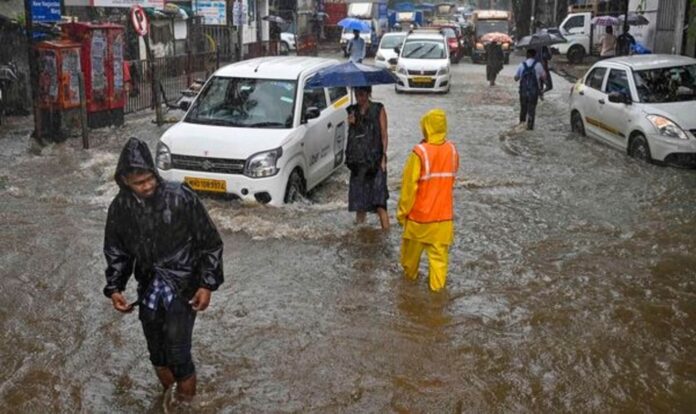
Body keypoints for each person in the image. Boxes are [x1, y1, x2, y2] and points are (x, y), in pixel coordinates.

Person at [103, 137, 224, 403]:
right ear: (125, 181)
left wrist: (206, 284)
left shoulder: (180, 196)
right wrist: (115, 287)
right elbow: (117, 250)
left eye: (149, 179)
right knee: (157, 354)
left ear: (155, 173)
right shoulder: (121, 207)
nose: (146, 186)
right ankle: (170, 401)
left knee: (179, 356)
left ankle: (186, 406)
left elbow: (210, 243)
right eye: (139, 182)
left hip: (183, 286)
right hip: (149, 287)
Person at [397, 109, 459, 292]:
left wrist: (402, 214)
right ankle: (437, 306)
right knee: (439, 269)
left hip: (419, 221)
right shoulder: (453, 151)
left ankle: (409, 300)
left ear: (426, 126)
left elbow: (409, 188)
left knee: (409, 267)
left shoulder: (419, 152)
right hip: (443, 221)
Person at [346, 86, 390, 230]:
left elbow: (384, 134)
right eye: (357, 94)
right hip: (358, 163)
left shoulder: (379, 109)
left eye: (363, 94)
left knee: (380, 203)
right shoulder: (352, 111)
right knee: (360, 204)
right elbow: (353, 137)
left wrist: (383, 158)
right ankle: (361, 233)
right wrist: (351, 123)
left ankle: (386, 234)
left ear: (369, 93)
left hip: (375, 162)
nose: (360, 98)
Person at [514, 48, 545, 130]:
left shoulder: (521, 65)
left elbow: (516, 78)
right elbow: (544, 77)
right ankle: (530, 127)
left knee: (523, 109)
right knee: (531, 110)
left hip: (523, 92)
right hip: (533, 93)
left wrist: (520, 76)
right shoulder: (538, 65)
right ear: (534, 55)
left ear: (527, 55)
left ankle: (521, 125)